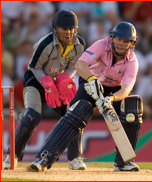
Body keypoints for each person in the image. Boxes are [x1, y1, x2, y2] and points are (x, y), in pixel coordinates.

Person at [29, 21, 143, 172]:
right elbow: (80, 65)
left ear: (132, 43)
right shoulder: (101, 44)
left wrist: (111, 99)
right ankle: (47, 157)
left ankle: (123, 162)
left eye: (126, 41)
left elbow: (126, 90)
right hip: (90, 81)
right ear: (112, 38)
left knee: (133, 107)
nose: (122, 44)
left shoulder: (132, 61)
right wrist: (92, 80)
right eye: (119, 39)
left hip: (114, 90)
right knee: (77, 112)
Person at [3, 10, 87, 170]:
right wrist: (46, 82)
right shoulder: (45, 43)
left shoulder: (79, 44)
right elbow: (34, 67)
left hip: (58, 84)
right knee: (32, 115)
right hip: (36, 80)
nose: (69, 33)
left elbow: (72, 67)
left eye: (71, 29)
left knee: (73, 115)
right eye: (64, 29)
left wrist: (65, 79)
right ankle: (12, 156)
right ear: (55, 28)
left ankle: (75, 158)